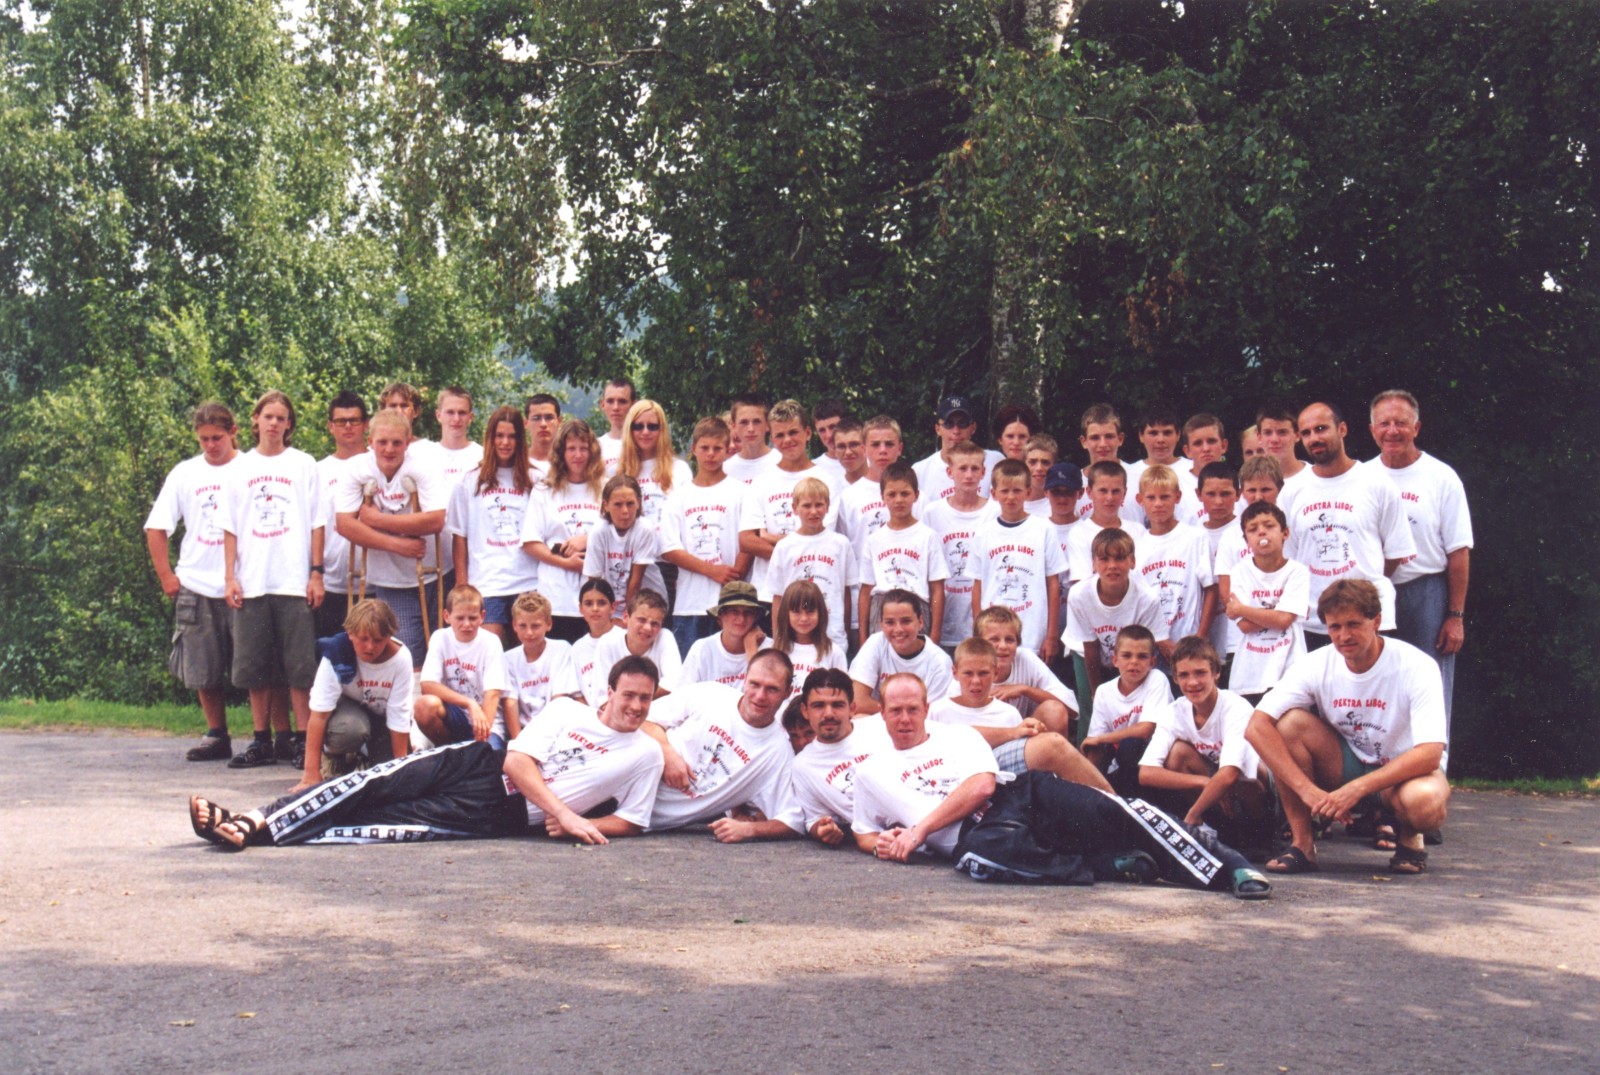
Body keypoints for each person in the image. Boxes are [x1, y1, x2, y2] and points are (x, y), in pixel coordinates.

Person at [189, 655, 667, 850]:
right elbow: (517, 761)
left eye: (645, 699)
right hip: (478, 763)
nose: (636, 706)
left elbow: (634, 820)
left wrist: (581, 824)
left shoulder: (646, 753)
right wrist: (565, 812)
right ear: (608, 691)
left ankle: (254, 834)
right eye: (628, 695)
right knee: (372, 783)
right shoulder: (567, 711)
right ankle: (253, 817)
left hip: (500, 813)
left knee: (381, 825)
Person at [850, 674, 1268, 897]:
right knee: (978, 859)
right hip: (978, 836)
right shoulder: (871, 772)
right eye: (895, 710)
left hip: (1017, 797)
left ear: (926, 709)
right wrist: (882, 845)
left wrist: (918, 832)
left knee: (1115, 809)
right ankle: (1108, 866)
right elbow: (864, 830)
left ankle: (1228, 866)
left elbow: (981, 787)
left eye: (912, 709)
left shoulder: (958, 735)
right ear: (881, 713)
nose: (904, 719)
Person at [1246, 579, 1450, 875]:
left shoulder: (1416, 665)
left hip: (1401, 773)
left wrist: (1357, 789)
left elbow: (1430, 753)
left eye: (1353, 624)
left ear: (1376, 621)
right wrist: (1308, 791)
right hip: (1346, 763)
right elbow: (1256, 726)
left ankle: (1410, 838)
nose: (1344, 636)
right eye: (1335, 627)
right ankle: (1302, 844)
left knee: (1424, 802)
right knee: (1288, 724)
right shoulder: (1315, 664)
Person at [222, 391, 325, 769]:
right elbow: (229, 527)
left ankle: (303, 742)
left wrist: (316, 574)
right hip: (252, 581)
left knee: (300, 669)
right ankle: (261, 740)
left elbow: (318, 523)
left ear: (289, 424)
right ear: (256, 420)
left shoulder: (303, 464)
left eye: (281, 418)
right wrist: (230, 576)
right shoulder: (239, 468)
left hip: (293, 581)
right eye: (268, 416)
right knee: (255, 668)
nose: (274, 423)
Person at [1365, 389, 1472, 729]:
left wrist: (1455, 616)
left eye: (1401, 423)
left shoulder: (1441, 477)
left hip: (1425, 593)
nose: (1392, 431)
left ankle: (1434, 760)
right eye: (1384, 423)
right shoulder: (1362, 477)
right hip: (1375, 594)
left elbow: (1458, 552)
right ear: (1372, 430)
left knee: (1429, 684)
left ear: (1416, 428)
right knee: (1378, 685)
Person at [145, 401, 242, 761]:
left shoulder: (250, 468)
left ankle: (269, 737)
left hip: (243, 582)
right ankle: (216, 734)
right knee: (203, 665)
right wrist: (166, 576)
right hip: (197, 580)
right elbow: (156, 527)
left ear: (233, 432)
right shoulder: (185, 473)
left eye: (217, 437)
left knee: (257, 665)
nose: (211, 445)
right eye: (204, 439)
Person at [1279, 401, 1416, 641]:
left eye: (1321, 429)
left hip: (1367, 619)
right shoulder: (1291, 492)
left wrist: (1363, 589)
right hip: (1312, 621)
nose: (1314, 438)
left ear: (1342, 429)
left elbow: (1395, 553)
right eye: (1307, 433)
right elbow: (1288, 558)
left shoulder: (1378, 484)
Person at [642, 649, 805, 841]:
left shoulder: (778, 753)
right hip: (627, 777)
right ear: (744, 679)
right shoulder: (710, 693)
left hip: (643, 820)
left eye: (772, 689)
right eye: (754, 684)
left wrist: (749, 829)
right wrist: (667, 753)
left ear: (787, 692)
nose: (760, 696)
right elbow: (642, 720)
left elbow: (793, 821)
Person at [335, 410, 448, 669]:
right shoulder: (357, 468)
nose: (389, 449)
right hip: (391, 578)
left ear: (408, 442)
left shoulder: (423, 467)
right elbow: (344, 524)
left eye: (397, 442)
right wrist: (398, 545)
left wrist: (376, 520)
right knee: (407, 653)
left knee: (439, 653)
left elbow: (435, 520)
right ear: (370, 441)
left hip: (434, 572)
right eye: (382, 442)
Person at [1138, 636, 1270, 854]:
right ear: (1175, 678)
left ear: (1216, 673)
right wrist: (1203, 782)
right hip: (1216, 792)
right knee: (1177, 753)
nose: (1192, 683)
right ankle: (1218, 828)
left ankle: (1263, 836)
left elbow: (1230, 774)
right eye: (1184, 675)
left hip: (1256, 794)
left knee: (1245, 775)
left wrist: (1191, 815)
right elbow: (1146, 773)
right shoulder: (1174, 712)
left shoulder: (1236, 707)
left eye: (1200, 673)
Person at [928, 639, 1110, 791]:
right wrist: (1013, 732)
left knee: (1049, 746)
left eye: (983, 673)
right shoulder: (939, 709)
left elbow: (1020, 761)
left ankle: (1109, 800)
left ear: (995, 673)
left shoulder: (1008, 713)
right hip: (953, 777)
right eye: (968, 673)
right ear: (955, 673)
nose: (975, 681)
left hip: (1000, 779)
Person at [291, 598, 413, 791]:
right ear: (350, 633)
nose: (370, 647)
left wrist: (400, 769)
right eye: (363, 639)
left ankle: (364, 759)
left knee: (387, 776)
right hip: (347, 714)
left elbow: (400, 714)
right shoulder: (336, 652)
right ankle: (334, 758)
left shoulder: (401, 658)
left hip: (381, 718)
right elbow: (319, 714)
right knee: (352, 729)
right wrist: (310, 773)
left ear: (390, 636)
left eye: (378, 640)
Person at [661, 416, 752, 655]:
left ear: (727, 450)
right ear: (693, 449)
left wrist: (735, 580)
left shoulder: (742, 492)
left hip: (732, 604)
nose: (710, 454)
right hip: (691, 604)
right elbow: (670, 549)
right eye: (704, 448)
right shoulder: (678, 497)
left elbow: (749, 540)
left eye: (717, 448)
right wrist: (712, 570)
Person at [449, 406, 539, 640]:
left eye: (512, 436)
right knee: (490, 650)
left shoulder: (536, 479)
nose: (505, 443)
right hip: (487, 583)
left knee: (528, 653)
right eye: (499, 436)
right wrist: (463, 587)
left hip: (528, 581)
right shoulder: (469, 480)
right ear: (490, 438)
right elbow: (459, 536)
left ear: (521, 439)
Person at [740, 399, 843, 600]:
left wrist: (769, 537)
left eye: (793, 432)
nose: (787, 440)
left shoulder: (827, 481)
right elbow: (747, 541)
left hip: (813, 590)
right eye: (780, 435)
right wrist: (798, 548)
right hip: (769, 593)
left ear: (807, 433)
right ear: (772, 439)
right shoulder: (761, 482)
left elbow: (820, 539)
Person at [1062, 528, 1166, 719]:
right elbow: (1090, 646)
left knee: (1131, 710)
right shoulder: (1079, 595)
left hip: (1131, 655)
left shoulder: (1147, 599)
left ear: (1133, 561)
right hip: (1088, 655)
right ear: (1093, 563)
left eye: (1119, 558)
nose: (1112, 566)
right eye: (1104, 559)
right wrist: (1096, 692)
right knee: (1091, 711)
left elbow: (1143, 649)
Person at [969, 459, 1067, 660]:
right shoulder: (983, 533)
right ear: (994, 493)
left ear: (1028, 492)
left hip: (1033, 632)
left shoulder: (1043, 529)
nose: (1011, 497)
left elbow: (1053, 584)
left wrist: (1051, 635)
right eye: (1004, 491)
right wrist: (979, 630)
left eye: (1017, 490)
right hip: (993, 634)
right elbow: (977, 586)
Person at [523, 418, 606, 642]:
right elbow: (531, 542)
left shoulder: (606, 487)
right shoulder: (544, 490)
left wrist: (587, 538)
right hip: (556, 595)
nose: (578, 455)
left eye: (583, 448)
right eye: (571, 449)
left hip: (596, 597)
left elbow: (619, 531)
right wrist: (566, 563)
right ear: (561, 452)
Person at [789, 668, 892, 846]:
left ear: (852, 708)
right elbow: (813, 819)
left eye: (837, 705)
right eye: (819, 705)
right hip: (882, 840)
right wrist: (822, 830)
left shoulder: (881, 728)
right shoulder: (802, 766)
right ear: (805, 711)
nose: (828, 713)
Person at [1223, 501, 1309, 702]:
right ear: (1246, 540)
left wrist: (1242, 609)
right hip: (1251, 672)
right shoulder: (1239, 572)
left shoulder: (1298, 572)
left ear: (1285, 533)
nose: (1261, 532)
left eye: (1269, 526)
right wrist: (1277, 613)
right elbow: (1244, 626)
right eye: (1253, 529)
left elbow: (1284, 620)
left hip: (1290, 667)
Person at [760, 477, 856, 652]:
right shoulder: (784, 546)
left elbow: (846, 593)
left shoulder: (841, 544)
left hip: (832, 635)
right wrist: (778, 639)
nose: (813, 511)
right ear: (794, 508)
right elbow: (778, 597)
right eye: (806, 505)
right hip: (794, 639)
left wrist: (845, 632)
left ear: (828, 506)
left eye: (819, 505)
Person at [920, 440, 999, 650]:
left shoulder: (995, 512)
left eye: (975, 469)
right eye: (962, 468)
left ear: (983, 473)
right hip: (944, 618)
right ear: (949, 472)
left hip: (982, 620)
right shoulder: (932, 512)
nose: (969, 475)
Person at [858, 463, 948, 644]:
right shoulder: (874, 540)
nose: (898, 500)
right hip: (882, 608)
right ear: (882, 497)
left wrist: (935, 633)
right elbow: (866, 591)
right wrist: (862, 638)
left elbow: (937, 589)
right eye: (892, 494)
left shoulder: (927, 536)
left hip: (916, 606)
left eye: (905, 494)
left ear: (916, 495)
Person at [1133, 465, 1218, 654]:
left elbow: (1211, 589)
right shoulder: (1138, 547)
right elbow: (1138, 602)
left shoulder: (1196, 538)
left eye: (1165, 497)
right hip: (1152, 646)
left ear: (1177, 497)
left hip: (1191, 642)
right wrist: (1161, 642)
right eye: (1151, 498)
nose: (1158, 504)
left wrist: (1200, 637)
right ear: (1140, 499)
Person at [414, 584, 509, 748]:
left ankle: (472, 752)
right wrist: (469, 703)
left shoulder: (491, 642)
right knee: (424, 705)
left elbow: (493, 693)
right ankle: (447, 749)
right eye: (460, 618)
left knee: (486, 754)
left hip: (486, 718)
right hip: (457, 715)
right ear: (447, 616)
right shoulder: (440, 638)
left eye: (472, 618)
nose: (466, 624)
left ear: (482, 616)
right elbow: (427, 685)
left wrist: (482, 736)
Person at [1082, 626, 1169, 794]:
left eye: (1142, 656)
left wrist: (1102, 738)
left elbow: (1146, 729)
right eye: (1127, 655)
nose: (1134, 662)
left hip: (1157, 760)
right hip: (1122, 762)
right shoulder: (1103, 691)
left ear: (1152, 662)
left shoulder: (1157, 679)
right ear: (1115, 660)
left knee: (1130, 745)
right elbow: (1094, 743)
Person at [313, 392, 369, 638]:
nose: (347, 426)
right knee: (330, 655)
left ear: (365, 424)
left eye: (354, 420)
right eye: (340, 421)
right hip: (332, 584)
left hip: (374, 582)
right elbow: (313, 526)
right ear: (330, 426)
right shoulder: (318, 471)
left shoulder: (378, 463)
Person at [973, 606, 1075, 736]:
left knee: (1054, 710)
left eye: (1009, 639)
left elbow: (1071, 709)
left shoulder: (1025, 658)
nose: (1003, 646)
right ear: (979, 644)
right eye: (994, 639)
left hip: (1021, 742)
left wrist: (1025, 690)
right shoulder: (968, 667)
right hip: (982, 742)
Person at [848, 589, 953, 714]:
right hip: (881, 720)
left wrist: (894, 714)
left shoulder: (940, 662)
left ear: (920, 622)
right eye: (890, 622)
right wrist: (895, 715)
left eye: (906, 621)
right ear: (881, 624)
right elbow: (857, 701)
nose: (898, 629)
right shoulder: (875, 643)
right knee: (859, 717)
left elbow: (932, 714)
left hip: (921, 724)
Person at [502, 590, 580, 740]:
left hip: (555, 730)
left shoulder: (561, 649)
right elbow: (510, 702)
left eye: (535, 626)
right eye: (522, 626)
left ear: (549, 624)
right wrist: (518, 741)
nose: (529, 633)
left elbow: (559, 699)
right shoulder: (508, 659)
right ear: (514, 625)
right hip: (524, 731)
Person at [582, 473, 665, 610]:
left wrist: (627, 615)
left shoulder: (644, 528)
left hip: (646, 604)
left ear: (639, 503)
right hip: (613, 605)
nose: (625, 511)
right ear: (606, 505)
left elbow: (635, 581)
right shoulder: (598, 531)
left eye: (630, 504)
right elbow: (594, 581)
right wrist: (607, 615)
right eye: (618, 505)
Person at [583, 588, 681, 703]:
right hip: (616, 710)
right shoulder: (608, 643)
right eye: (641, 620)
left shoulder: (665, 637)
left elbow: (673, 683)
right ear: (626, 617)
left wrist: (637, 701)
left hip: (654, 708)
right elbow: (602, 697)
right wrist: (635, 703)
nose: (647, 628)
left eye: (655, 623)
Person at [617, 398, 692, 543]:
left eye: (652, 426)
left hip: (669, 553)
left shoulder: (680, 469)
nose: (645, 432)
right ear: (630, 430)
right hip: (632, 553)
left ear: (662, 429)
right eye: (638, 426)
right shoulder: (620, 472)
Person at [913, 395, 1002, 508]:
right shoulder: (920, 471)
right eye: (948, 424)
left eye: (962, 423)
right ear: (938, 429)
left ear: (973, 428)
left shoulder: (994, 461)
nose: (956, 431)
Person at [1065, 461, 1147, 581]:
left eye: (1115, 491)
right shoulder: (1079, 534)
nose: (1109, 498)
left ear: (1124, 493)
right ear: (1089, 492)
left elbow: (1142, 577)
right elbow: (1081, 584)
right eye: (1103, 491)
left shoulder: (1138, 531)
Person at [771, 579, 848, 699]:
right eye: (797, 612)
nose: (804, 618)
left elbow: (843, 694)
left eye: (810, 611)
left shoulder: (833, 652)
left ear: (821, 612)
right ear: (786, 613)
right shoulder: (775, 650)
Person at [680, 581, 764, 690]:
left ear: (755, 617)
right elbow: (682, 693)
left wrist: (751, 649)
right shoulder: (702, 648)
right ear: (720, 615)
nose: (741, 619)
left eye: (748, 613)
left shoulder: (768, 647)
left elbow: (764, 690)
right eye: (734, 612)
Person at [571, 579, 624, 704]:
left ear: (613, 607)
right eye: (588, 604)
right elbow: (577, 694)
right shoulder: (577, 648)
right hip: (590, 713)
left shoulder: (623, 638)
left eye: (601, 603)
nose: (595, 608)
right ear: (580, 608)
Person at [1177, 413, 1229, 527]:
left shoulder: (1238, 485)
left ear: (1224, 446)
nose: (1206, 449)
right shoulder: (1176, 488)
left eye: (1211, 441)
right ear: (1187, 451)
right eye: (1198, 443)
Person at [724, 393, 782, 484]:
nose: (751, 429)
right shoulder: (725, 470)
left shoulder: (782, 462)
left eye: (756, 422)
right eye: (744, 422)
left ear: (767, 425)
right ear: (734, 426)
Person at [435, 386, 483, 486]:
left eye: (462, 413)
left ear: (470, 417)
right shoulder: (425, 457)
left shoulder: (482, 456)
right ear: (438, 416)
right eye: (450, 412)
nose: (456, 419)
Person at [1253, 402, 1307, 489]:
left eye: (1282, 432)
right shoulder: (1247, 484)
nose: (1274, 440)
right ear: (1259, 437)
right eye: (1268, 433)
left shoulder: (1317, 478)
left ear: (1297, 435)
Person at [523, 393, 563, 484]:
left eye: (549, 418)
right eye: (536, 418)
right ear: (526, 423)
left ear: (559, 421)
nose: (543, 424)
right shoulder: (517, 463)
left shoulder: (570, 463)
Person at [597, 378, 636, 468]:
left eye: (622, 401)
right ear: (602, 404)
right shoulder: (595, 447)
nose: (616, 407)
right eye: (610, 401)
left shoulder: (645, 445)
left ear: (633, 405)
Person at [810, 397, 852, 477]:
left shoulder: (868, 462)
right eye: (822, 430)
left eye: (832, 427)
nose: (828, 435)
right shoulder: (812, 470)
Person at [1022, 434, 1057, 517]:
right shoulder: (1008, 503)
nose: (1039, 468)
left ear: (1054, 466)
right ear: (1023, 465)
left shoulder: (1061, 505)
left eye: (1045, 462)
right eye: (1032, 462)